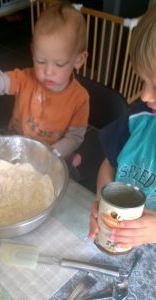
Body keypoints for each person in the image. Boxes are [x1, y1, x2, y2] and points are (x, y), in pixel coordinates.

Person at [0, 2, 89, 176]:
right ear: (33, 52)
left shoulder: (80, 98)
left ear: (79, 60)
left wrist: (50, 153)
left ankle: (72, 160)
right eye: (40, 61)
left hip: (53, 154)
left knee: (69, 175)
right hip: (17, 143)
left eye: (59, 64)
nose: (48, 72)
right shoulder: (25, 79)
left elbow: (74, 137)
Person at [89, 2, 156, 248]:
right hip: (116, 245)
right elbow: (109, 164)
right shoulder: (138, 120)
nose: (145, 95)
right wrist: (102, 199)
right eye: (143, 81)